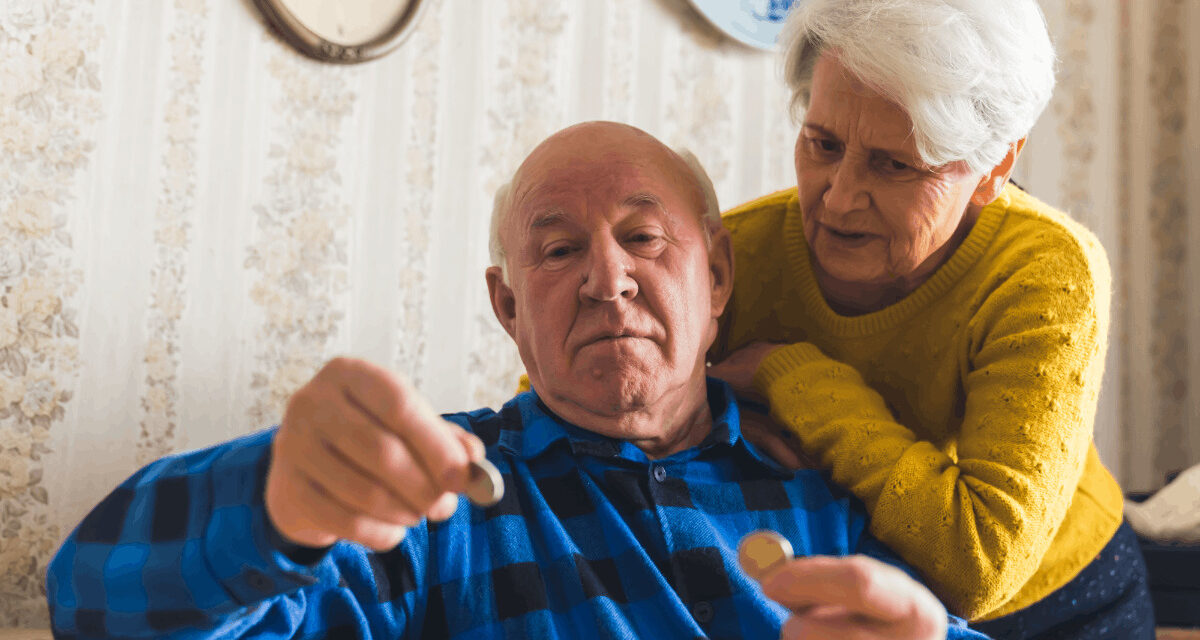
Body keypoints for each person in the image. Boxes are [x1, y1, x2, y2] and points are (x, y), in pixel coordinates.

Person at [46, 122, 986, 640]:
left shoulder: (819, 488)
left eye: (645, 237)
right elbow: (93, 606)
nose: (606, 277)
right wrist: (267, 501)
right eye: (558, 249)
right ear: (507, 308)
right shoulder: (434, 493)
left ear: (721, 276)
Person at [705, 0, 1154, 637]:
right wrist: (721, 412)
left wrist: (790, 376)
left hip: (1062, 602)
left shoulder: (1045, 270)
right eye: (822, 144)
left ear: (994, 168)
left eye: (894, 164)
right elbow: (575, 403)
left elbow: (979, 568)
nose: (837, 197)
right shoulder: (737, 253)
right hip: (842, 600)